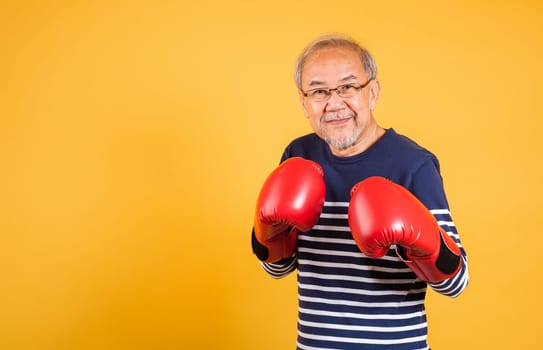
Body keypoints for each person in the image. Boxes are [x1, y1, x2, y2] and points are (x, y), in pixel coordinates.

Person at [251, 33, 469, 350]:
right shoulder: (298, 155)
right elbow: (278, 269)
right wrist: (269, 232)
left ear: (373, 93)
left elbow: (456, 284)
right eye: (319, 91)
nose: (334, 103)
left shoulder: (414, 165)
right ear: (304, 103)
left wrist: (421, 243)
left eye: (348, 87)